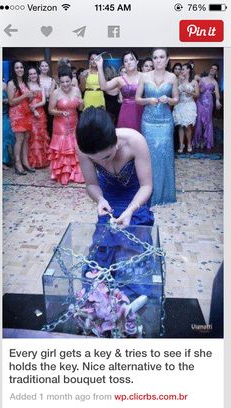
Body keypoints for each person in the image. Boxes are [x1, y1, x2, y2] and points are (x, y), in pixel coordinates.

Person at [76, 107, 154, 297]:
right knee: (103, 255)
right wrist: (100, 199)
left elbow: (146, 186)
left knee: (133, 255)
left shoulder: (135, 141)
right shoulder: (84, 148)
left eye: (106, 157)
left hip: (135, 199)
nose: (102, 163)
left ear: (116, 143)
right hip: (109, 200)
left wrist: (130, 210)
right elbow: (91, 184)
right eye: (96, 161)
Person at [136, 48, 179, 206]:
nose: (158, 60)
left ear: (167, 59)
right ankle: (148, 194)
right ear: (152, 60)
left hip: (165, 121)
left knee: (165, 156)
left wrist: (168, 99)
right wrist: (149, 101)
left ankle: (165, 194)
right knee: (149, 156)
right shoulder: (144, 76)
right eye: (155, 57)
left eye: (162, 57)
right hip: (148, 121)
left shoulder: (173, 77)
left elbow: (176, 99)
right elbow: (137, 99)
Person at [48, 66, 84, 185]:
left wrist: (81, 104)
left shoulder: (77, 90)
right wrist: (60, 112)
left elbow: (80, 108)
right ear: (59, 81)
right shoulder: (55, 93)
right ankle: (64, 174)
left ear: (71, 80)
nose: (65, 84)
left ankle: (75, 174)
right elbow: (50, 110)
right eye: (62, 82)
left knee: (74, 148)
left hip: (74, 122)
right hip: (60, 125)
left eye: (67, 81)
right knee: (63, 149)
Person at [95, 50, 143, 132]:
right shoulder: (120, 80)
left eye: (131, 59)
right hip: (126, 113)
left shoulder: (145, 76)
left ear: (137, 61)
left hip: (143, 112)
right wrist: (99, 66)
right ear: (123, 64)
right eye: (125, 61)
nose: (129, 62)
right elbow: (104, 87)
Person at [7, 60, 33, 175]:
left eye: (21, 67)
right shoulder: (11, 83)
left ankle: (25, 162)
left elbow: (28, 99)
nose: (19, 69)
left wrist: (31, 97)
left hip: (27, 113)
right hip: (17, 114)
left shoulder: (25, 82)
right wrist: (24, 95)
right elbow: (11, 102)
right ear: (13, 70)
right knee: (20, 139)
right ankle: (17, 163)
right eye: (17, 67)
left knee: (27, 137)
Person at [192, 64, 222, 149]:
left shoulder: (215, 83)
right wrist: (198, 89)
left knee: (207, 122)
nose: (212, 70)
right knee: (198, 121)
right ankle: (197, 141)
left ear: (217, 72)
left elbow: (217, 94)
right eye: (212, 68)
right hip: (200, 101)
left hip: (209, 103)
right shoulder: (202, 78)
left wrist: (217, 101)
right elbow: (194, 82)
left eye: (215, 69)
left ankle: (205, 141)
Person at [173, 63, 199, 153]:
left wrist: (190, 92)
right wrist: (179, 90)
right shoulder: (178, 81)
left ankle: (189, 144)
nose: (181, 71)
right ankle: (181, 145)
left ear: (188, 70)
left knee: (187, 126)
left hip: (189, 105)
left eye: (183, 69)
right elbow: (174, 93)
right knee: (180, 126)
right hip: (179, 105)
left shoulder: (194, 82)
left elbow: (197, 95)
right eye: (181, 69)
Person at [27, 66, 50, 168]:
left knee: (42, 135)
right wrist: (33, 110)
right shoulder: (26, 86)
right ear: (28, 75)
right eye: (31, 74)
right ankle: (33, 161)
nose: (33, 75)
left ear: (37, 74)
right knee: (33, 136)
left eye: (34, 73)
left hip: (41, 114)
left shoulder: (41, 86)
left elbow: (44, 101)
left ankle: (42, 161)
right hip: (30, 114)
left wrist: (35, 107)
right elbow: (26, 102)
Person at [39, 60, 56, 137]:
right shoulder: (35, 78)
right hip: (38, 104)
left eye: (46, 66)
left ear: (49, 68)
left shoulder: (52, 80)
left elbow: (50, 94)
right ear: (39, 68)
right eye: (42, 66)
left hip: (48, 104)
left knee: (49, 126)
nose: (44, 68)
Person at [2, 81, 15, 169]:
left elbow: (11, 99)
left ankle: (6, 159)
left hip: (6, 114)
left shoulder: (4, 84)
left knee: (8, 136)